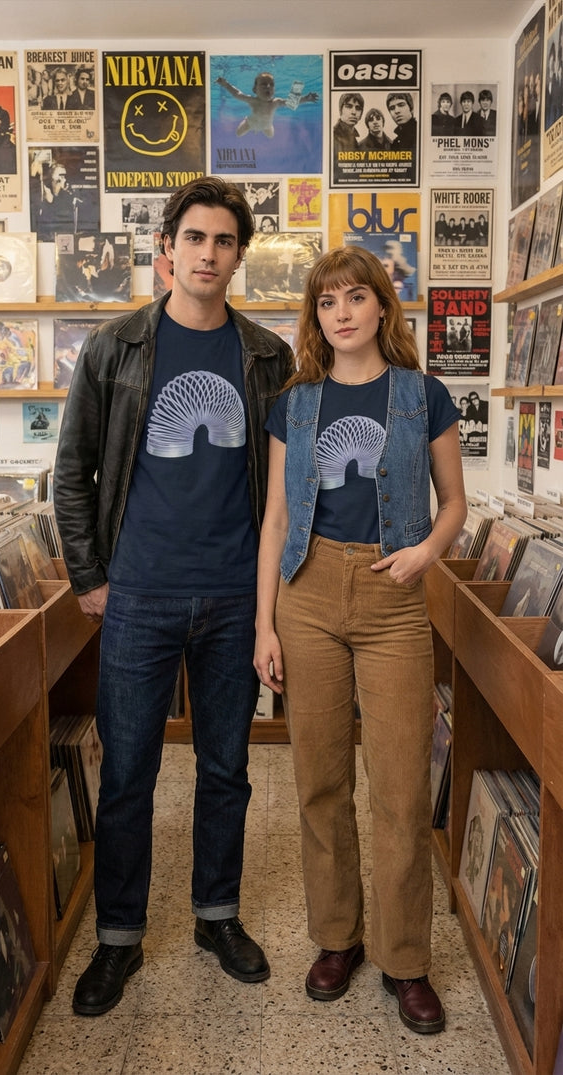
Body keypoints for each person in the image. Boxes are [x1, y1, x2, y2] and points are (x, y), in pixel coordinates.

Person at [53, 176, 293, 1018]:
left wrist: (275, 605)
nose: (209, 253)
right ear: (168, 247)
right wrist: (90, 579)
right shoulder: (114, 348)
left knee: (227, 768)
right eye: (195, 237)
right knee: (129, 773)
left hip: (235, 598)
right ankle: (118, 936)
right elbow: (72, 470)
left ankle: (215, 916)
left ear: (238, 255)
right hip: (140, 597)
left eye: (225, 241)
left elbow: (283, 494)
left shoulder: (269, 356)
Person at [254, 246, 466, 1033]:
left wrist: (425, 551)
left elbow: (455, 503)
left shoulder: (423, 396)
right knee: (318, 778)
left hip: (393, 598)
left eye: (355, 297)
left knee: (403, 787)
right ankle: (336, 938)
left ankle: (405, 958)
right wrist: (263, 623)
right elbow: (276, 518)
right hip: (306, 595)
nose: (340, 312)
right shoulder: (295, 404)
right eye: (326, 302)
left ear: (382, 306)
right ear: (316, 317)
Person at [216, 72, 318, 138]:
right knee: (238, 134)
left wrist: (306, 98)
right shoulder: (253, 100)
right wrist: (225, 84)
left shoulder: (276, 102)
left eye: (271, 85)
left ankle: (266, 126)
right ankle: (246, 119)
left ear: (274, 90)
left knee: (271, 136)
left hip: (267, 126)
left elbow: (291, 103)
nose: (268, 87)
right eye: (264, 84)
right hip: (250, 123)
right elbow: (237, 94)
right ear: (255, 90)